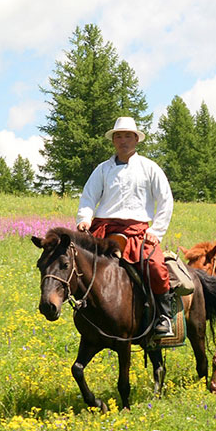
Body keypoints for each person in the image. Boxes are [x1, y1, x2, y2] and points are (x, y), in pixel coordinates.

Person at [76, 117, 177, 337]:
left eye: (128, 136)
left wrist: (156, 231)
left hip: (138, 231)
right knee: (77, 264)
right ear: (113, 140)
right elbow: (88, 198)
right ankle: (85, 313)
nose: (123, 140)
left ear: (136, 139)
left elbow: (166, 200)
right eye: (119, 136)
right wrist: (84, 219)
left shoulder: (150, 168)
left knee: (156, 266)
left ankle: (163, 316)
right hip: (103, 229)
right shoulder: (102, 170)